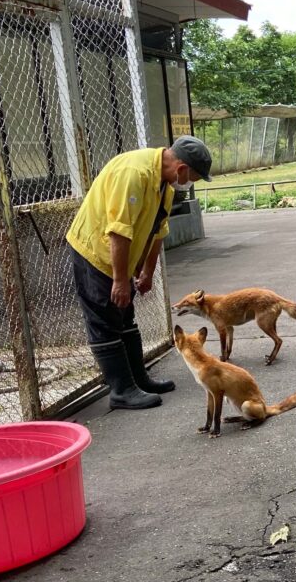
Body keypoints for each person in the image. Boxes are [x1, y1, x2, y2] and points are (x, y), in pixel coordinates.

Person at [67, 135, 212, 409]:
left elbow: (157, 232)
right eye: (194, 176)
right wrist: (121, 279)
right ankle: (121, 390)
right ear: (181, 168)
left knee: (125, 314)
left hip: (121, 255)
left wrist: (146, 271)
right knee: (105, 315)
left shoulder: (166, 186)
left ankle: (137, 379)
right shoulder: (133, 173)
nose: (192, 182)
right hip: (96, 250)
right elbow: (118, 232)